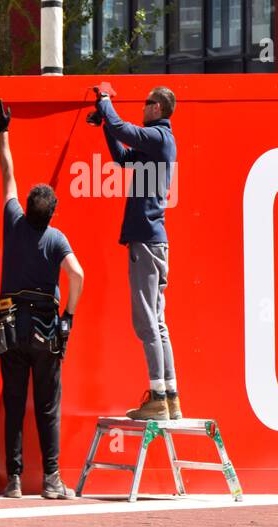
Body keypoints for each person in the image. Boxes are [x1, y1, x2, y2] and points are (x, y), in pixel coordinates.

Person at [0, 100, 84, 499]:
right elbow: (78, 275)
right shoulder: (56, 239)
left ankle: (13, 481)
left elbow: (8, 173)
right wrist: (68, 316)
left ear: (28, 208)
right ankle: (51, 480)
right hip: (47, 333)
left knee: (14, 404)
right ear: (51, 215)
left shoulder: (13, 222)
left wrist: (3, 130)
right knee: (47, 407)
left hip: (11, 331)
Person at [92, 85, 181, 420]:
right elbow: (121, 156)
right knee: (157, 321)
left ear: (156, 107)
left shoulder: (158, 137)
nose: (142, 108)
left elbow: (121, 128)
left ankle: (158, 397)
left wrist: (105, 103)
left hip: (146, 241)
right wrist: (104, 122)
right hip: (154, 240)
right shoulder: (156, 143)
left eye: (146, 103)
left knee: (146, 321)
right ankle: (169, 395)